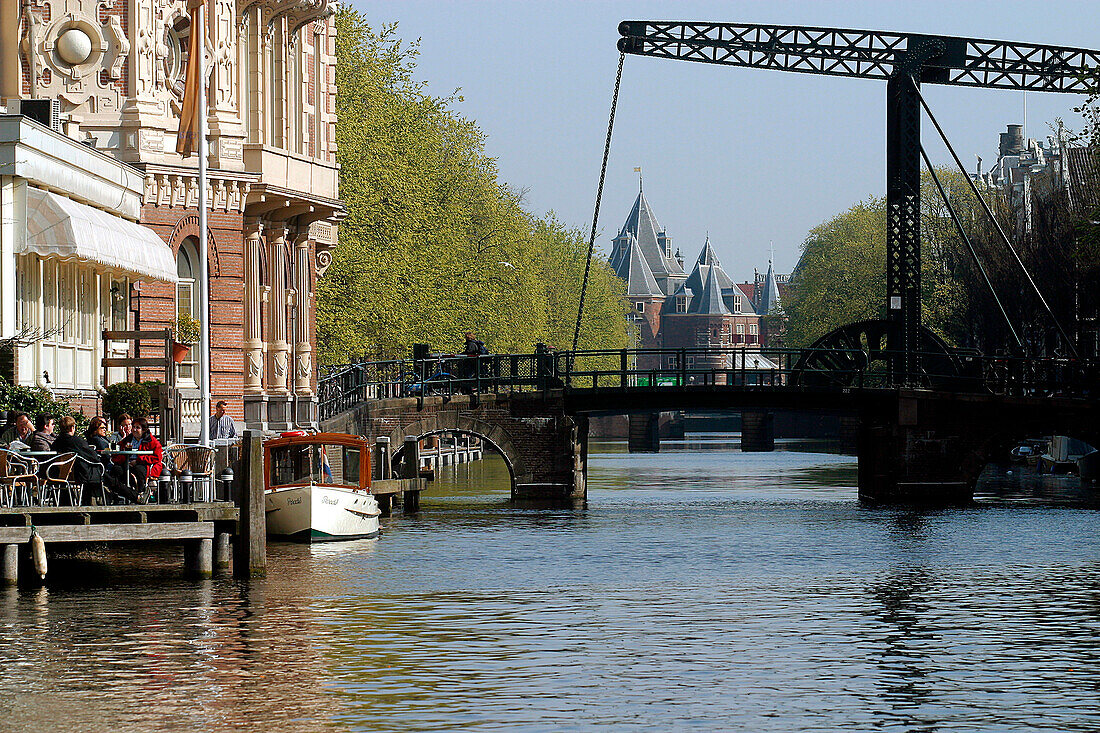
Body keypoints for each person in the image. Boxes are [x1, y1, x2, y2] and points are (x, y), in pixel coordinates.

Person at [53, 416, 131, 503]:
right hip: (84, 474)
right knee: (112, 479)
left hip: (64, 475)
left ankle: (130, 496)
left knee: (111, 478)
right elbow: (93, 456)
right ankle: (133, 496)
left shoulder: (56, 442)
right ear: (72, 428)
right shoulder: (77, 441)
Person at [109, 417, 162, 502]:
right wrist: (123, 458)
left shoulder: (151, 441)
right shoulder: (128, 439)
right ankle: (120, 494)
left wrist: (138, 460)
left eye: (137, 428)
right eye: (133, 427)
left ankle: (141, 493)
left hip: (143, 463)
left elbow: (157, 457)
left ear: (144, 430)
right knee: (116, 469)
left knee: (139, 469)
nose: (134, 429)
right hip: (127, 463)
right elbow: (117, 450)